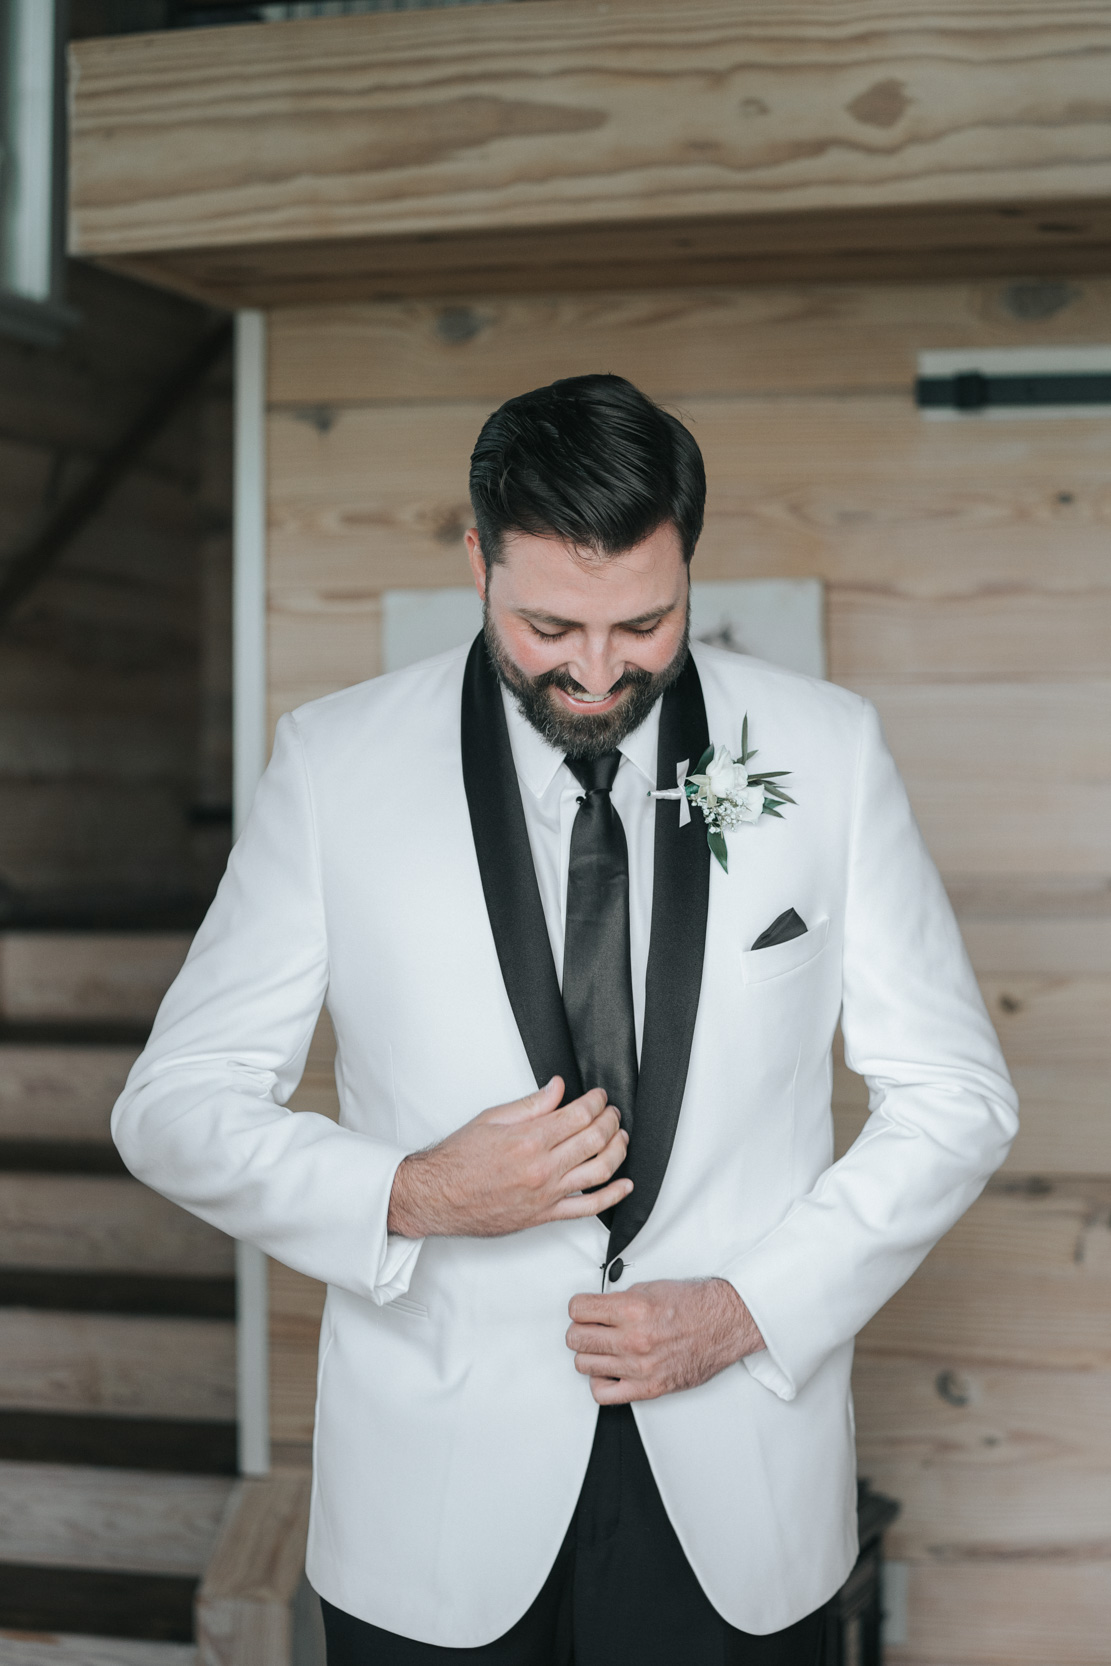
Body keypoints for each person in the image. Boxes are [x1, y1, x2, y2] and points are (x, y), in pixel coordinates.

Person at [113, 374, 1017, 1664]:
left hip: (741, 1491)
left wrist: (751, 1308)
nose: (597, 673)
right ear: (477, 560)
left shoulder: (828, 755)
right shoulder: (333, 766)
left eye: (644, 624)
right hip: (432, 1511)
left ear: (689, 569)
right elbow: (170, 1107)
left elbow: (957, 1097)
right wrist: (412, 1194)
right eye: (549, 626)